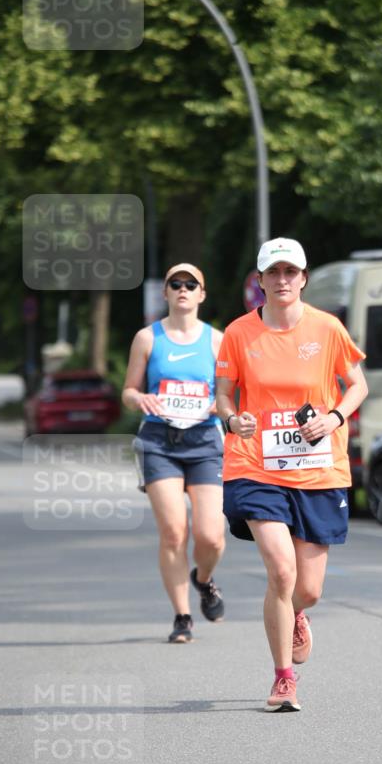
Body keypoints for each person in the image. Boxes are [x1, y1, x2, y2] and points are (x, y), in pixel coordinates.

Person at [215, 237, 368, 712]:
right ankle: (283, 679)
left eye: (290, 272)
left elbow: (357, 384)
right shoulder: (239, 333)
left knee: (308, 589)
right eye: (272, 273)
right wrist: (231, 418)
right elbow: (224, 396)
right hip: (255, 466)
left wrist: (336, 417)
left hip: (318, 469)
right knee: (280, 570)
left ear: (303, 278)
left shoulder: (327, 328)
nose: (281, 280)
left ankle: (297, 613)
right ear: (259, 281)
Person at [122, 262, 226, 643]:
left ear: (202, 293)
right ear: (165, 293)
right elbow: (128, 391)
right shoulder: (147, 339)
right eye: (175, 283)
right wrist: (140, 398)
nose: (182, 289)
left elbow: (232, 394)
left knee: (211, 536)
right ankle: (182, 616)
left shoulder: (217, 340)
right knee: (173, 533)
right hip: (159, 442)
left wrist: (221, 406)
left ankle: (204, 578)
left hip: (204, 442)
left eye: (191, 284)